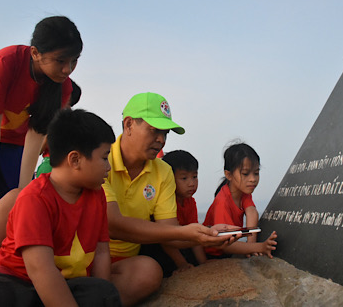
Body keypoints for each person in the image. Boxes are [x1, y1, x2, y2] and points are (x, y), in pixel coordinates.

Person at [0, 108, 121, 306]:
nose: (108, 167)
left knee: (102, 292)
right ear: (75, 159)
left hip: (51, 286)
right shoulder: (35, 198)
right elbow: (41, 269)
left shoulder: (97, 195)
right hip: (9, 281)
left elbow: (100, 251)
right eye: (104, 157)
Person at [0, 15, 83, 266]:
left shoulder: (62, 88)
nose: (67, 69)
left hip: (15, 140)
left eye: (74, 61)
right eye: (60, 60)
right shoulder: (6, 61)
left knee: (13, 207)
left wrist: (24, 191)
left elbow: (35, 139)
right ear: (35, 53)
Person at [103, 92, 239, 306]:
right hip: (89, 254)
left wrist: (207, 233)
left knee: (149, 273)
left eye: (165, 133)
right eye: (154, 130)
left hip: (127, 262)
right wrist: (190, 233)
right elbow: (112, 224)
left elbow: (169, 231)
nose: (161, 139)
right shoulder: (102, 159)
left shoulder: (163, 171)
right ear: (128, 124)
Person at [203, 142, 278, 258]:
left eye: (256, 173)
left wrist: (251, 245)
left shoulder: (243, 192)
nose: (252, 179)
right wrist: (260, 247)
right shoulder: (222, 202)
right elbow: (224, 244)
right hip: (212, 254)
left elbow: (252, 212)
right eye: (245, 173)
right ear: (229, 175)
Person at [140, 150, 207, 277]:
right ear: (169, 178)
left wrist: (204, 263)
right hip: (160, 247)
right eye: (184, 178)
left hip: (179, 243)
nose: (191, 183)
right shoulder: (165, 202)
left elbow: (196, 236)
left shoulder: (190, 202)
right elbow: (165, 239)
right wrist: (182, 263)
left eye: (194, 176)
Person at [35, 81, 82, 177]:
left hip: (69, 166)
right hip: (51, 164)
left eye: (71, 104)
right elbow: (38, 150)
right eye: (66, 103)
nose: (68, 108)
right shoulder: (46, 119)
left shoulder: (71, 121)